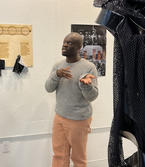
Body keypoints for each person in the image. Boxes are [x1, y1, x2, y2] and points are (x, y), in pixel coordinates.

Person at [45, 32, 98, 167]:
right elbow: (48, 88)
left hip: (79, 120)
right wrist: (56, 75)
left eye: (69, 43)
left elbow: (92, 96)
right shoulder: (58, 66)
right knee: (59, 155)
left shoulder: (88, 67)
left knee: (78, 159)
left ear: (79, 47)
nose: (65, 45)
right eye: (64, 42)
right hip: (60, 117)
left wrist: (85, 85)